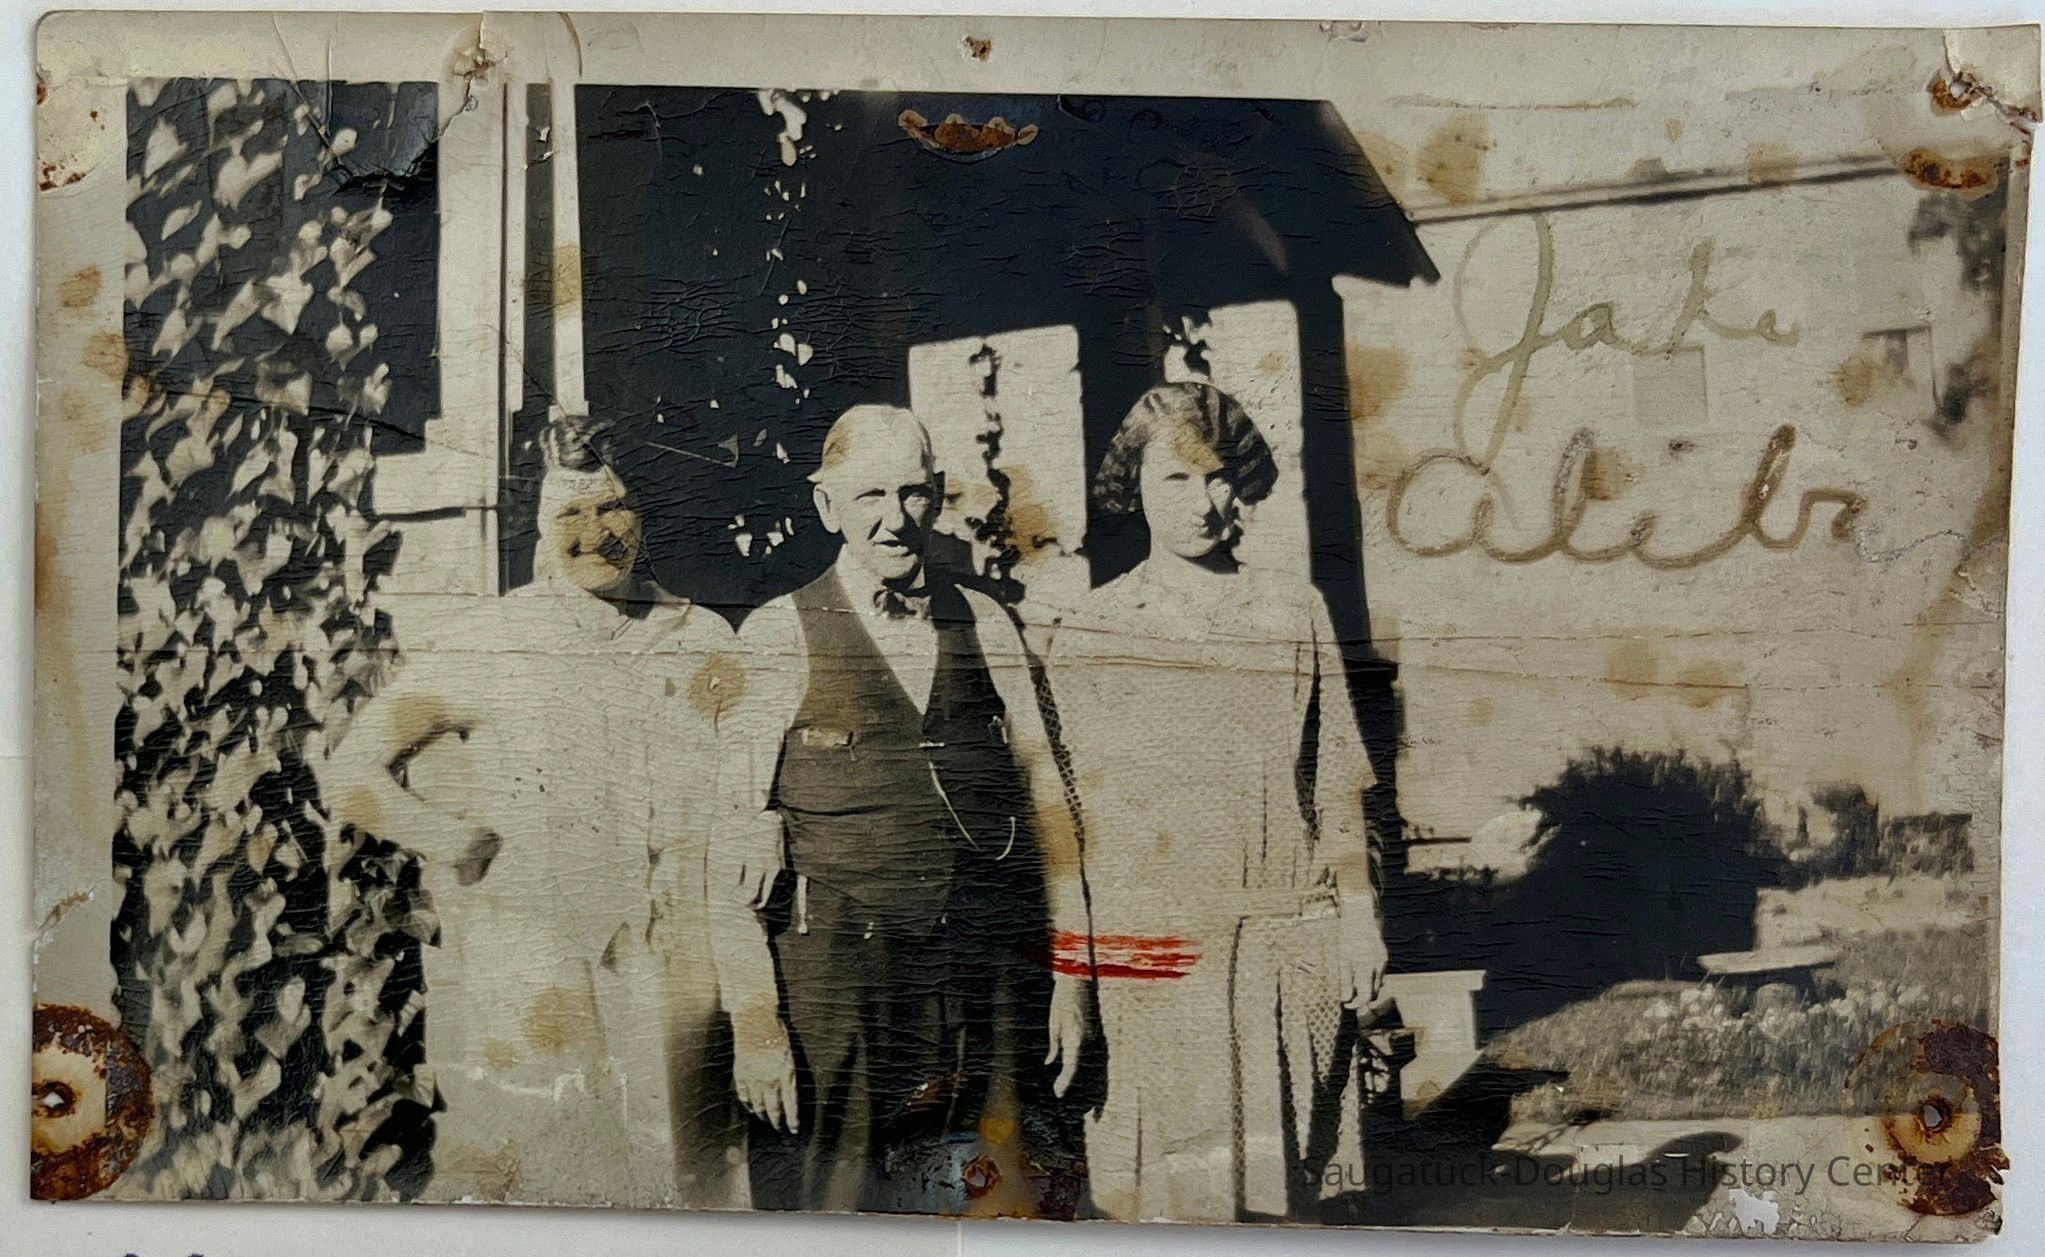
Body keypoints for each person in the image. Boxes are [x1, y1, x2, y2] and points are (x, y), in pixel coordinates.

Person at [320, 417, 748, 1208]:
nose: (597, 532)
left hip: (667, 962)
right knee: (552, 1175)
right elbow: (350, 770)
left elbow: (742, 793)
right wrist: (451, 839)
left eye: (614, 507)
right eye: (570, 514)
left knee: (676, 1180)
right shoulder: (492, 639)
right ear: (540, 528)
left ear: (643, 514)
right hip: (535, 965)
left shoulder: (699, 636)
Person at [711, 404, 1089, 1214]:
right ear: (826, 505)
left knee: (981, 1204)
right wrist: (755, 1020)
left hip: (976, 982)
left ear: (937, 494)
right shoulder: (776, 633)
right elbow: (728, 852)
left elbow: (1049, 803)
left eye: (913, 493)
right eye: (870, 495)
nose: (894, 518)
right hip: (835, 992)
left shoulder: (984, 620)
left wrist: (1072, 975)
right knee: (836, 1210)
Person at [1044, 381, 1390, 1222]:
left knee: (1289, 1202)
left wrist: (1357, 915)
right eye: (1174, 479)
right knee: (1172, 1202)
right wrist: (1073, 976)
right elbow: (1074, 825)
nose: (1200, 503)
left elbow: (1335, 776)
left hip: (1282, 941)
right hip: (1157, 957)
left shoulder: (1292, 610)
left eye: (1217, 478)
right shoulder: (1091, 629)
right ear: (1134, 486)